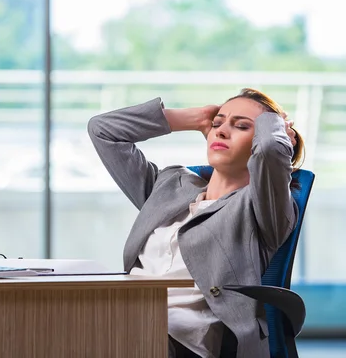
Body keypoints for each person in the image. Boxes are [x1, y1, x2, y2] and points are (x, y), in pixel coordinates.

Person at [87, 88, 304, 358]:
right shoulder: (169, 186)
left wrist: (275, 127)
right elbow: (103, 131)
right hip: (121, 317)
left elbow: (271, 151)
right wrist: (195, 118)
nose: (222, 131)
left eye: (242, 126)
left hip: (181, 340)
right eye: (218, 123)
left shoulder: (263, 210)